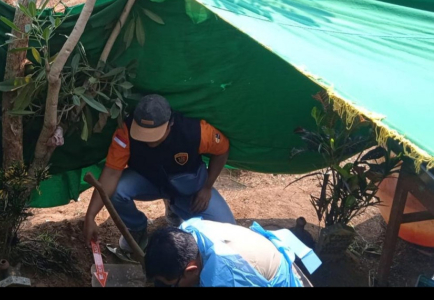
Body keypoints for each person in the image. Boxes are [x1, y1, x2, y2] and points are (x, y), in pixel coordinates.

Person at [83, 94, 236, 252]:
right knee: (116, 190)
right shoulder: (125, 131)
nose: (149, 141)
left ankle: (175, 208)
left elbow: (222, 149)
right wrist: (90, 215)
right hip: (148, 181)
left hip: (188, 188)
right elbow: (111, 174)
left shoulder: (195, 132)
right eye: (143, 134)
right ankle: (137, 228)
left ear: (170, 124)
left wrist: (207, 187)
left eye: (155, 134)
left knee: (228, 231)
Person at [144, 218, 305, 287]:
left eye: (172, 285)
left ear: (191, 270)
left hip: (278, 280)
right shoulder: (186, 232)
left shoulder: (224, 279)